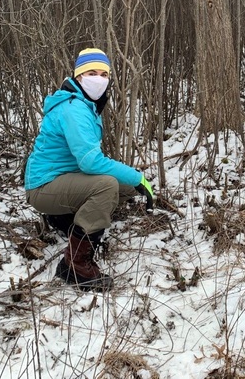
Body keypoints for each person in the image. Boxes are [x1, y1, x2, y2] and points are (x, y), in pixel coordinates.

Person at [24, 48, 155, 292]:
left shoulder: (84, 105)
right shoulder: (73, 108)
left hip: (62, 180)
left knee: (122, 187)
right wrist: (138, 177)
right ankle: (73, 265)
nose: (99, 79)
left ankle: (67, 221)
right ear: (78, 76)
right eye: (91, 73)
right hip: (43, 187)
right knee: (107, 186)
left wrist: (133, 182)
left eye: (104, 74)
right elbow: (90, 163)